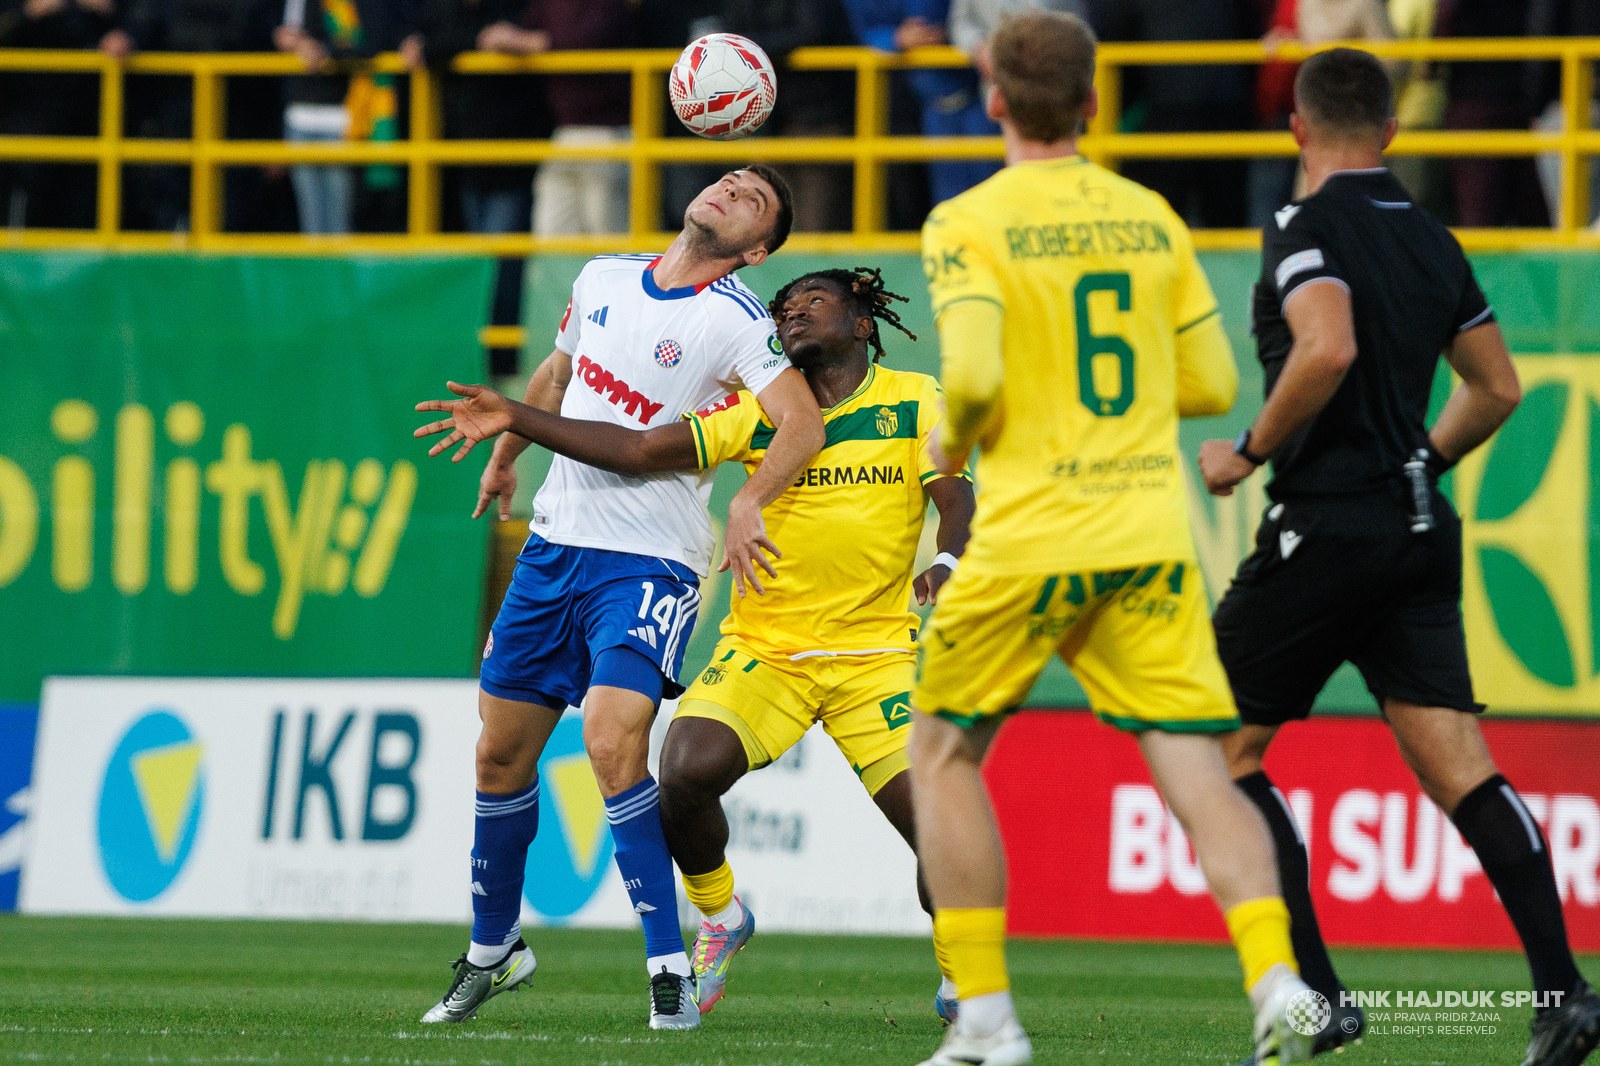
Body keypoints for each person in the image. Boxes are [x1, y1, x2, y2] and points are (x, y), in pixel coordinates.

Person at [908, 11, 1314, 1066]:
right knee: (1192, 764)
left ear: (993, 99)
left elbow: (983, 380)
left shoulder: (966, 221)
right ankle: (1278, 983)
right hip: (1144, 531)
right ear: (1094, 101)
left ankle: (988, 1020)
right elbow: (1212, 384)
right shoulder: (1149, 215)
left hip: (1032, 534)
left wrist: (953, 434)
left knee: (943, 752)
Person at [414, 266, 978, 1021]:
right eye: (784, 308)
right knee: (680, 774)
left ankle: (956, 970)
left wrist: (946, 560)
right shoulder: (756, 413)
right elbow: (641, 451)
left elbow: (956, 494)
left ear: (862, 325)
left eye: (815, 303)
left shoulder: (915, 399)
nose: (794, 314)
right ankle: (721, 915)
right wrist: (519, 419)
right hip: (764, 651)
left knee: (939, 824)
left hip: (874, 657)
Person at [1197, 47, 1600, 1066]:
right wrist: (1423, 460)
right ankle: (1565, 995)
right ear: (1391, 130)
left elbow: (1323, 346)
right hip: (1418, 534)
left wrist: (1249, 450)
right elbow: (1495, 386)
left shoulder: (1299, 225)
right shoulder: (1431, 236)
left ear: (1296, 128)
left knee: (1214, 751)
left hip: (1325, 527)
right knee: (1462, 769)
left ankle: (1320, 1000)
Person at [412, 165, 825, 1032]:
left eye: (751, 198)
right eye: (729, 176)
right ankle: (495, 950)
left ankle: (667, 964)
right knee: (498, 757)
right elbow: (560, 375)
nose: (727, 188)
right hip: (556, 545)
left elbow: (803, 422)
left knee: (609, 739)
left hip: (650, 561)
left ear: (754, 247)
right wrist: (506, 456)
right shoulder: (602, 276)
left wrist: (748, 500)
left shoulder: (737, 319)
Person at [844, 0, 1000, 207]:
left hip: (982, 97)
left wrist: (958, 36)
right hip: (927, 106)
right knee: (948, 198)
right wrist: (896, 38)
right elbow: (863, 31)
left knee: (991, 194)